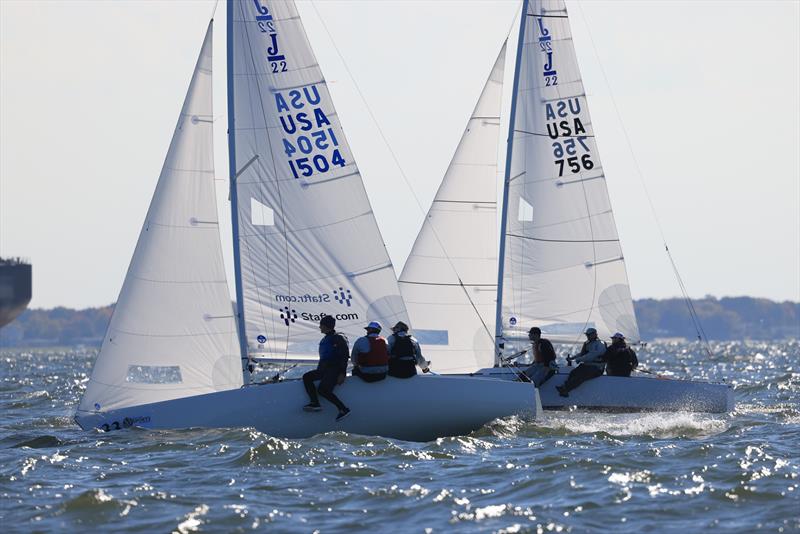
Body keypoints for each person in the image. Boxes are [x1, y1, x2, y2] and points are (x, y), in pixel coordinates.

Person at [302, 315, 351, 421]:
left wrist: (342, 373)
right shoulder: (326, 338)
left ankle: (343, 409)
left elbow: (344, 356)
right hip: (324, 370)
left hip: (334, 370)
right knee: (307, 377)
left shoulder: (338, 338)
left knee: (323, 390)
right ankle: (315, 403)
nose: (320, 327)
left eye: (321, 325)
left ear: (326, 326)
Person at [556, 327, 606, 397]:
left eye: (589, 334)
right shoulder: (588, 343)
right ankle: (565, 387)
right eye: (587, 335)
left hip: (597, 368)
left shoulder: (600, 344)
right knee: (573, 372)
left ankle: (566, 389)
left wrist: (578, 359)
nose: (587, 336)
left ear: (595, 334)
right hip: (588, 365)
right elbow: (583, 354)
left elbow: (591, 355)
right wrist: (572, 358)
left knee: (581, 376)